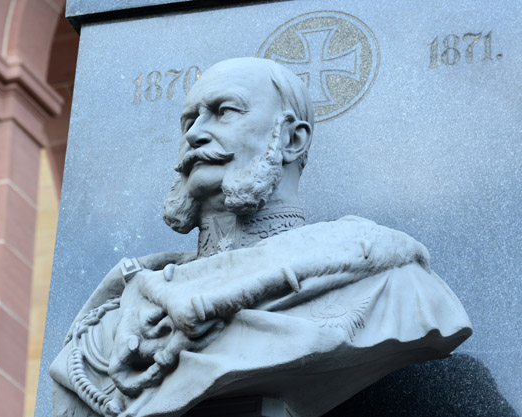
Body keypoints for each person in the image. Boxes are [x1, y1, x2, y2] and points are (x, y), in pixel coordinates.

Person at [50, 58, 472, 417]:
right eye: (189, 119)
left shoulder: (389, 283)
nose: (195, 133)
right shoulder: (113, 320)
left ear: (291, 139)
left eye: (224, 111)